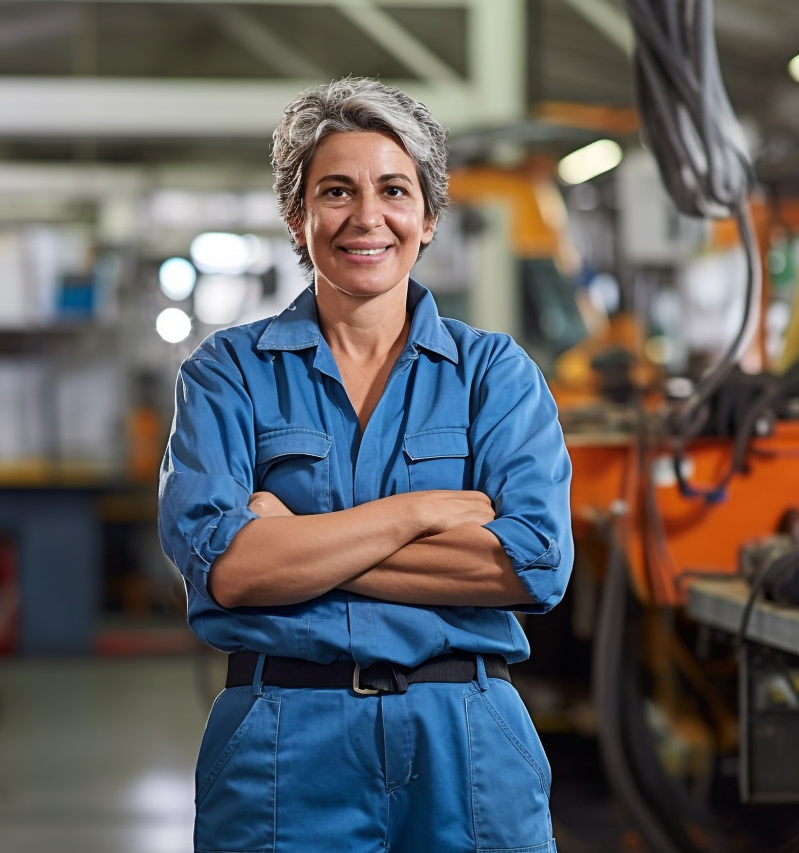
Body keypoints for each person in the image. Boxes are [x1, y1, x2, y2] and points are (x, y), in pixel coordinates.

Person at [159, 77, 573, 853]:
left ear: (430, 215)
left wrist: (301, 546)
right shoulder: (227, 374)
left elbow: (533, 565)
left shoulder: (495, 374)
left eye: (393, 190)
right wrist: (418, 512)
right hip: (284, 737)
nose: (367, 217)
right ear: (297, 215)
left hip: (468, 736)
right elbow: (229, 571)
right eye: (337, 191)